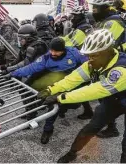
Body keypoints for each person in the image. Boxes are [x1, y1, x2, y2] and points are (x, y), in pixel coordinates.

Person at [37, 29, 126, 163]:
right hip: (115, 100)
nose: (89, 60)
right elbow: (72, 79)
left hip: (115, 94)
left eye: (94, 56)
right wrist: (51, 90)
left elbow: (95, 90)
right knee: (89, 129)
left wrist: (61, 98)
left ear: (108, 51)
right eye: (88, 56)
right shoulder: (93, 63)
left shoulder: (122, 69)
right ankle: (73, 153)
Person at [9, 37, 92, 144]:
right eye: (51, 50)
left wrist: (81, 86)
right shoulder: (47, 56)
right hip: (55, 81)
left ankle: (49, 127)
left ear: (63, 49)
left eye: (56, 51)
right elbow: (31, 67)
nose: (53, 53)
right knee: (51, 101)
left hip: (72, 81)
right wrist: (13, 73)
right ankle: (42, 122)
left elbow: (88, 67)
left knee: (61, 103)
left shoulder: (74, 53)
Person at [89, 0, 126, 138]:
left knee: (109, 96)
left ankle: (112, 128)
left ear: (105, 8)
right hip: (110, 63)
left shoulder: (113, 22)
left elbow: (106, 46)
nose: (93, 12)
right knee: (107, 96)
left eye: (95, 9)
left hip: (116, 64)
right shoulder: (106, 20)